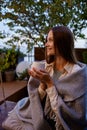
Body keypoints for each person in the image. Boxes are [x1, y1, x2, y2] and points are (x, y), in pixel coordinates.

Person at [2, 26, 87, 130]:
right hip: (43, 116)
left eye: (50, 40)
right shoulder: (47, 67)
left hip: (60, 124)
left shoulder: (78, 74)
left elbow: (75, 116)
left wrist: (50, 84)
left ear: (62, 43)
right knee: (9, 123)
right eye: (47, 40)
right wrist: (42, 84)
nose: (46, 44)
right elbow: (36, 101)